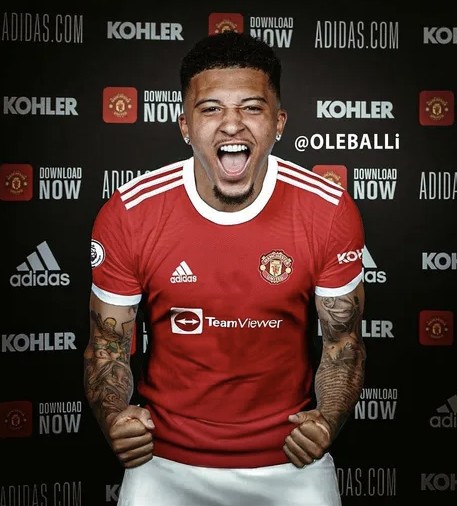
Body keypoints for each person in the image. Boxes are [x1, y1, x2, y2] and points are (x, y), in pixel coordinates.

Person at [84, 30, 366, 506]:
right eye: (211, 108)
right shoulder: (131, 213)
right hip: (163, 462)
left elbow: (344, 343)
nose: (232, 125)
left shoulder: (327, 210)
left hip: (291, 460)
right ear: (185, 125)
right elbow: (107, 344)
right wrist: (114, 416)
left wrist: (327, 420)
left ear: (278, 122)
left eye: (252, 108)